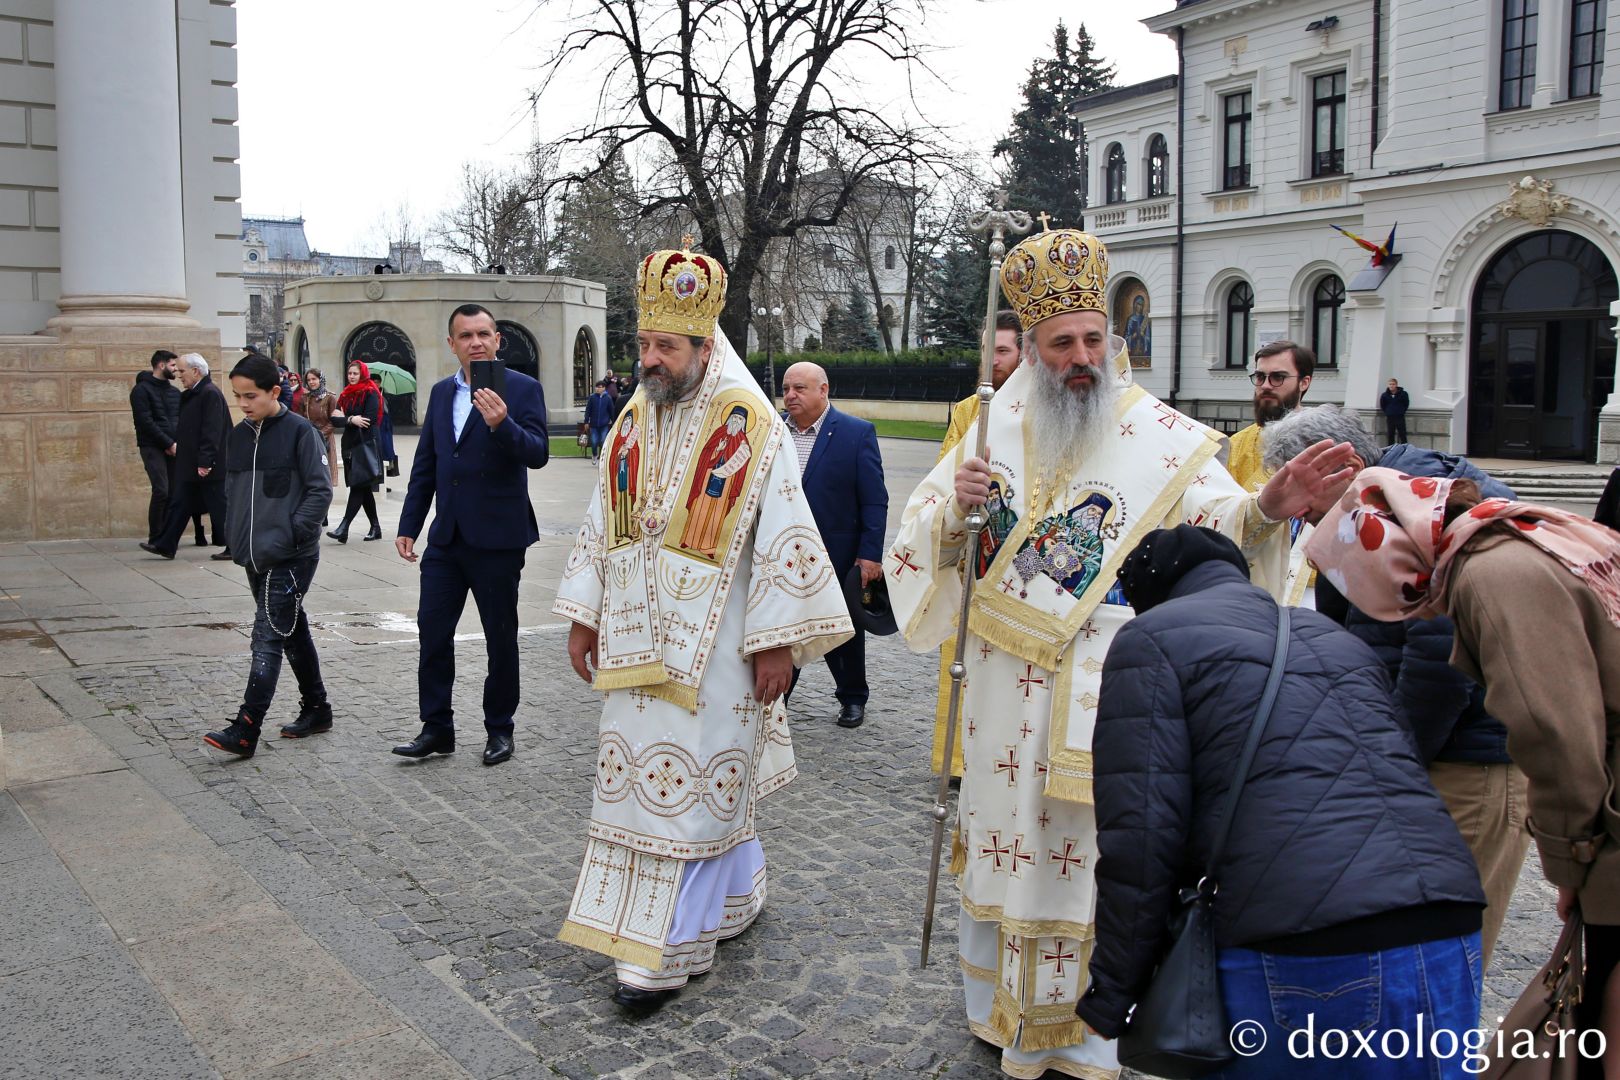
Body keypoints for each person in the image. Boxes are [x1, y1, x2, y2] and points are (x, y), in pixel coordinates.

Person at [887, 227, 1354, 1079]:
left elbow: (1223, 526)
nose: (1080, 357)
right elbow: (924, 545)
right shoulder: (995, 426)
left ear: (1116, 340)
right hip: (1004, 692)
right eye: (1061, 342)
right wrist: (952, 511)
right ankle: (1004, 1014)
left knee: (1103, 861)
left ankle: (1091, 1035)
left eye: (1093, 339)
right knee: (1011, 842)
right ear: (1032, 346)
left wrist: (1269, 507)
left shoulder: (1161, 436)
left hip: (1119, 680)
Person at [554, 245, 852, 1012]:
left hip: (721, 648)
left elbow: (785, 534)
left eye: (668, 347)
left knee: (697, 790)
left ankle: (665, 947)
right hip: (631, 644)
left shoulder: (752, 422)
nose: (651, 359)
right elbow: (601, 523)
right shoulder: (630, 416)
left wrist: (778, 642)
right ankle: (736, 895)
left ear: (704, 346)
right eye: (645, 344)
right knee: (646, 788)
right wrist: (584, 616)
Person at [1075, 525, 1486, 1077]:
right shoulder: (1333, 636)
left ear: (1149, 596)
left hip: (1301, 940)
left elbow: (1142, 834)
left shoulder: (1152, 639)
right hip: (1443, 918)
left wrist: (1114, 989)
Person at [1306, 469, 1620, 1079]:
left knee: (1605, 987)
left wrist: (1572, 861)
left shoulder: (1491, 574)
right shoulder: (1514, 540)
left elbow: (1553, 729)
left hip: (1607, 805)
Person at [1264, 404, 1528, 964]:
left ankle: (1438, 1052)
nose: (1303, 519)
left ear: (1345, 465)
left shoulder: (1420, 505)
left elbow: (1441, 658)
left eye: (1305, 502)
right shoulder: (1375, 506)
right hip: (1433, 752)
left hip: (1470, 762)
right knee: (1409, 946)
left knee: (1447, 954)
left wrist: (1392, 762)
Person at [394, 304, 549, 767]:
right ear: (452, 344)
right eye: (466, 336)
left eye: (484, 334)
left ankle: (499, 728)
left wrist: (503, 424)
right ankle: (436, 727)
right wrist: (409, 525)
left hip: (499, 538)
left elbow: (538, 453)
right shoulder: (442, 393)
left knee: (500, 638)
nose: (476, 342)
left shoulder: (522, 389)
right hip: (447, 539)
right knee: (432, 632)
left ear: (498, 339)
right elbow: (427, 464)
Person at [201, 354, 335, 758]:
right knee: (290, 628)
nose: (243, 404)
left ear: (275, 391)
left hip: (291, 556)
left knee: (268, 633)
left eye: (251, 396)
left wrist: (292, 533)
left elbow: (320, 491)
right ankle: (317, 708)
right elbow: (234, 493)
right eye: (238, 396)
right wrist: (238, 538)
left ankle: (246, 727)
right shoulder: (239, 436)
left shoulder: (300, 433)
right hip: (253, 555)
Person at [932, 311, 1022, 775]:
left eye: (1002, 352)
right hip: (973, 556)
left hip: (1022, 560)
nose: (992, 363)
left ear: (1023, 354)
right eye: (986, 352)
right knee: (962, 654)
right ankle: (960, 761)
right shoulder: (969, 411)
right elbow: (943, 475)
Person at [781, 360, 887, 729]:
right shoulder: (774, 431)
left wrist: (870, 555)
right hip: (781, 554)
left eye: (799, 388)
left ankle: (853, 697)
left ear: (823, 390)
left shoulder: (856, 433)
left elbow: (874, 499)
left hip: (836, 554)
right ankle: (777, 700)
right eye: (786, 389)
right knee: (780, 626)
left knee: (843, 631)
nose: (790, 395)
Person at [142, 353, 233, 561]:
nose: (178, 374)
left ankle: (234, 546)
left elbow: (212, 431)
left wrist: (205, 462)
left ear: (195, 371)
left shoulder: (209, 394)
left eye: (182, 371)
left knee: (220, 507)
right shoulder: (193, 394)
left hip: (207, 465)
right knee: (179, 503)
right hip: (190, 464)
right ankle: (166, 544)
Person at [1226, 340, 1314, 492]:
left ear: (1304, 383)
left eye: (1278, 377)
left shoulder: (1319, 442)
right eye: (1260, 377)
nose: (1266, 385)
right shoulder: (1234, 445)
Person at [326, 361, 384, 542]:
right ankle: (376, 527)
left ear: (362, 374)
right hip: (351, 444)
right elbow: (334, 419)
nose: (351, 376)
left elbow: (369, 419)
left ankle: (344, 527)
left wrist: (345, 418)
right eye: (349, 373)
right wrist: (351, 419)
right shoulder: (345, 394)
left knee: (359, 485)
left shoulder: (370, 392)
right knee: (363, 487)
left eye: (355, 374)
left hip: (366, 444)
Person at [131, 349, 181, 547]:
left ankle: (166, 539)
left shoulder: (174, 392)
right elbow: (145, 421)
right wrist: (167, 443)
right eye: (172, 365)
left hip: (174, 446)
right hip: (152, 446)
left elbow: (179, 420)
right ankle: (156, 537)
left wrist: (175, 443)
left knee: (173, 492)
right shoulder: (141, 391)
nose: (176, 369)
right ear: (161, 365)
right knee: (161, 490)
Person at [296, 369, 340, 489]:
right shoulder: (304, 398)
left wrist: (321, 434)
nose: (311, 382)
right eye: (308, 380)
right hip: (309, 437)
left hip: (325, 438)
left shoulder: (330, 398)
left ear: (320, 380)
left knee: (325, 472)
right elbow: (300, 418)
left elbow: (333, 421)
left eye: (314, 379)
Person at [584, 378, 616, 462]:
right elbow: (588, 410)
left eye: (600, 387)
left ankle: (602, 457)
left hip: (604, 424)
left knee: (603, 441)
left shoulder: (608, 398)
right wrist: (586, 421)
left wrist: (614, 422)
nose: (598, 389)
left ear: (604, 388)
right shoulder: (592, 398)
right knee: (594, 442)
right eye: (597, 387)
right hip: (593, 424)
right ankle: (594, 455)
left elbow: (611, 411)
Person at [1379, 377, 1411, 445]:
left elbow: (1406, 403)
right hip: (1390, 417)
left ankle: (1404, 448)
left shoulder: (1403, 394)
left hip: (1400, 417)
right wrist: (1388, 412)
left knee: (1402, 434)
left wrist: (1401, 411)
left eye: (1393, 384)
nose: (1391, 386)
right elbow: (1383, 405)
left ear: (1396, 385)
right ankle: (1390, 449)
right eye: (1390, 384)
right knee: (1390, 434)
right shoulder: (1385, 395)